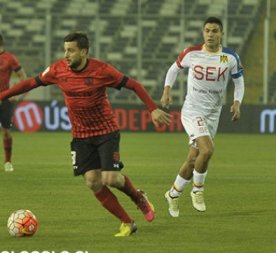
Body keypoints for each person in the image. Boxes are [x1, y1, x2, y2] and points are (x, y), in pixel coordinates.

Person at [0, 32, 172, 237]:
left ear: (84, 51)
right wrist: (2, 95)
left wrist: (152, 108)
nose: (66, 55)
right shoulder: (58, 70)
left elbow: (133, 85)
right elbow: (30, 83)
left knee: (110, 178)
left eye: (71, 50)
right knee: (92, 181)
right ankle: (127, 222)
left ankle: (139, 198)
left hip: (106, 131)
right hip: (81, 135)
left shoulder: (102, 70)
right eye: (65, 50)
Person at [160, 17, 244, 217]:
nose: (210, 34)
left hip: (213, 113)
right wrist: (167, 90)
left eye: (215, 31)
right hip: (192, 110)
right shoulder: (192, 53)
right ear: (202, 33)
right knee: (207, 150)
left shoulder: (230, 57)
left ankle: (173, 193)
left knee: (193, 159)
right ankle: (197, 190)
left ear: (221, 34)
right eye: (207, 30)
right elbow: (173, 69)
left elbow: (239, 82)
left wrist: (237, 102)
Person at [0, 34, 27, 172]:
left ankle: (8, 161)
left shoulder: (10, 58)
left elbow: (23, 77)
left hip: (4, 98)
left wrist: (16, 94)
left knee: (6, 130)